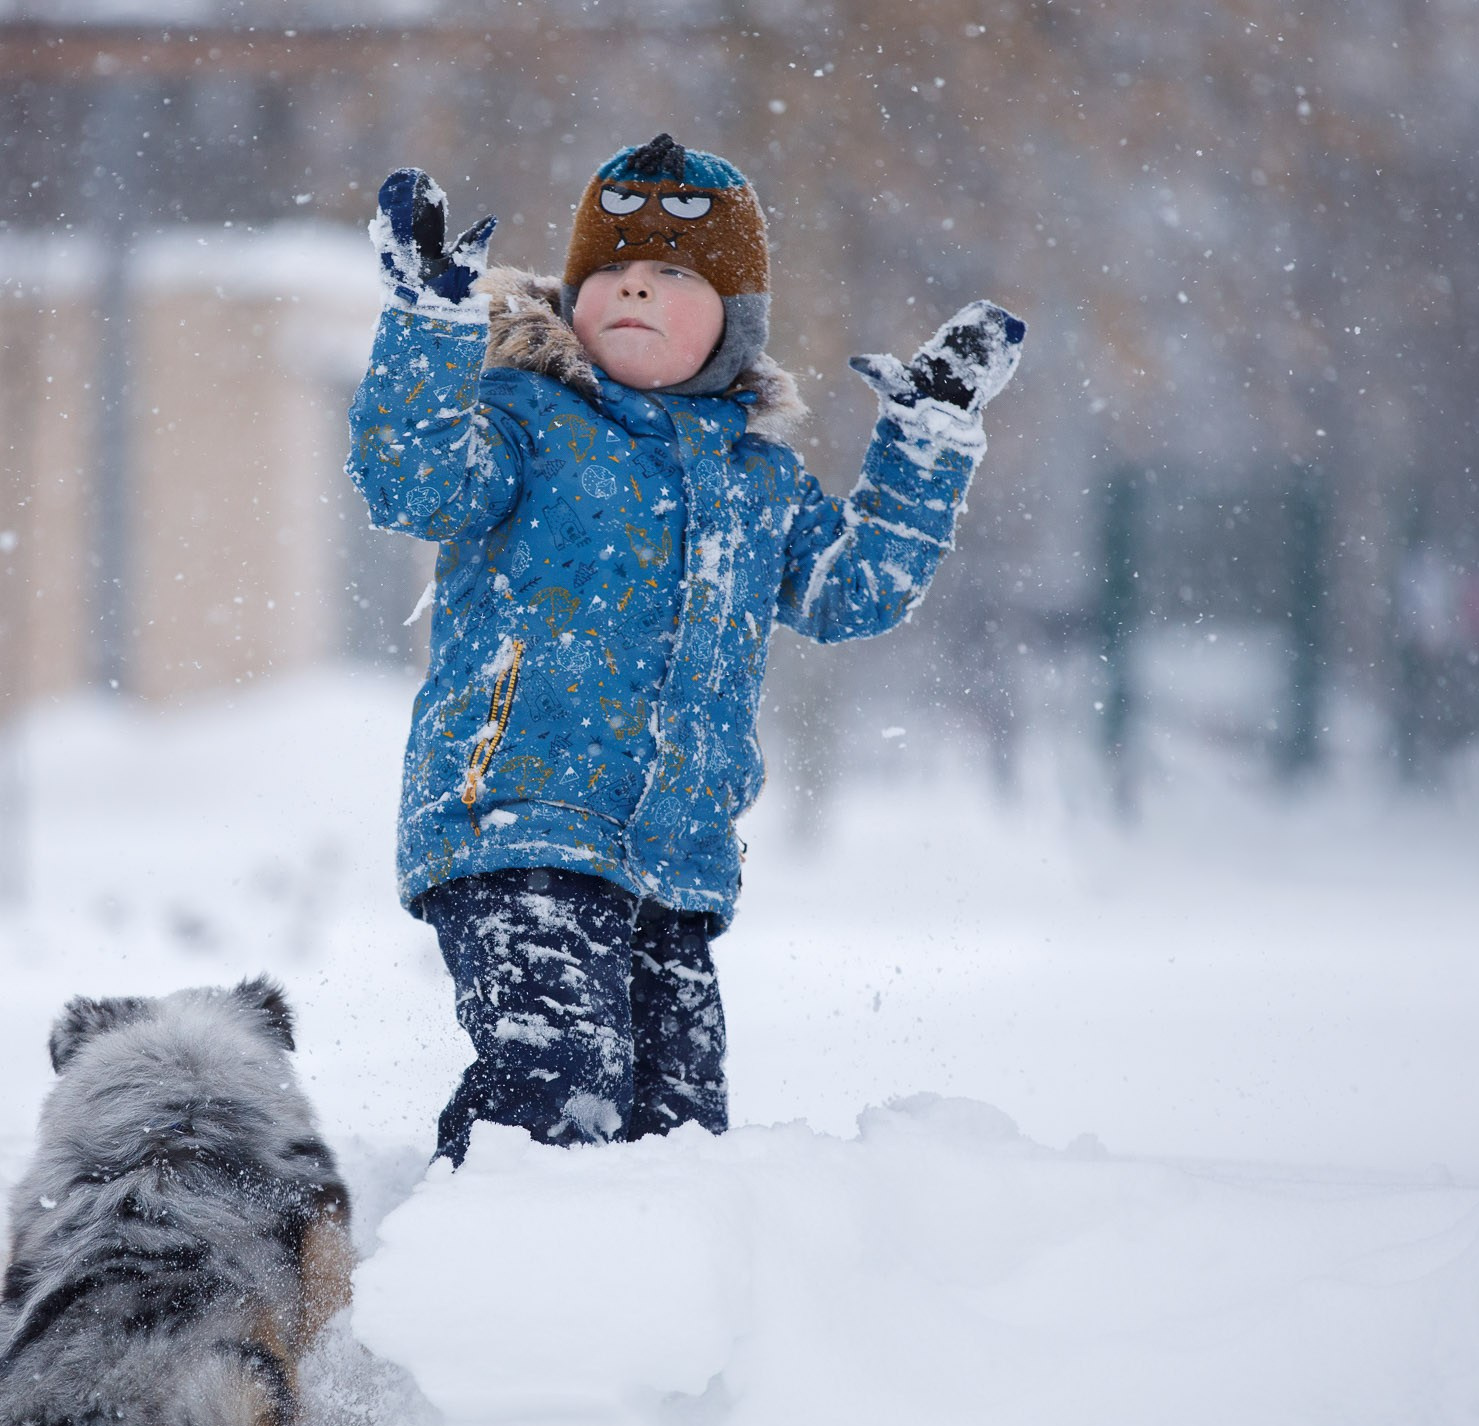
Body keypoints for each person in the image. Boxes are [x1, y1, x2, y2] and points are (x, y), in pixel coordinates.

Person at [346, 134, 1024, 1165]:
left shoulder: (756, 480)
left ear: (734, 324)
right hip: (520, 820)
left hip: (675, 861)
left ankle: (630, 1318)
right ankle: (474, 1293)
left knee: (674, 1138)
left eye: (672, 273)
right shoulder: (523, 421)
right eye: (611, 268)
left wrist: (924, 441)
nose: (634, 288)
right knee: (555, 1098)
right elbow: (414, 484)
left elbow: (852, 590)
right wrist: (429, 321)